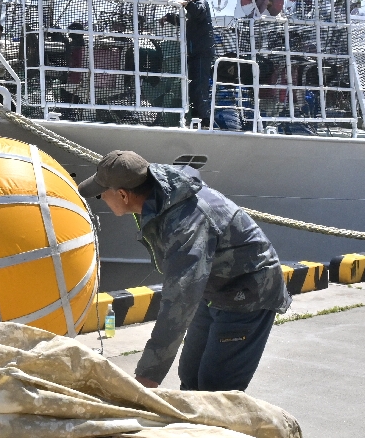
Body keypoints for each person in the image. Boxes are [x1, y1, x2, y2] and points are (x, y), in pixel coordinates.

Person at [79, 150, 290, 392]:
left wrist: (148, 376)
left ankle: (215, 428)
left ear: (124, 195)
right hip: (213, 289)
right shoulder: (159, 192)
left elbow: (180, 298)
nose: (101, 199)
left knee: (214, 389)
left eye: (101, 195)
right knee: (190, 374)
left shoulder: (186, 222)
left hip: (248, 295)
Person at [178, 0, 215, 124]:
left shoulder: (201, 4)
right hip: (195, 55)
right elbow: (184, 22)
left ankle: (205, 119)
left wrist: (186, 4)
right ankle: (197, 117)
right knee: (194, 86)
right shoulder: (193, 14)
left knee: (200, 86)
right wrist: (168, 18)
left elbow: (198, 10)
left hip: (201, 54)